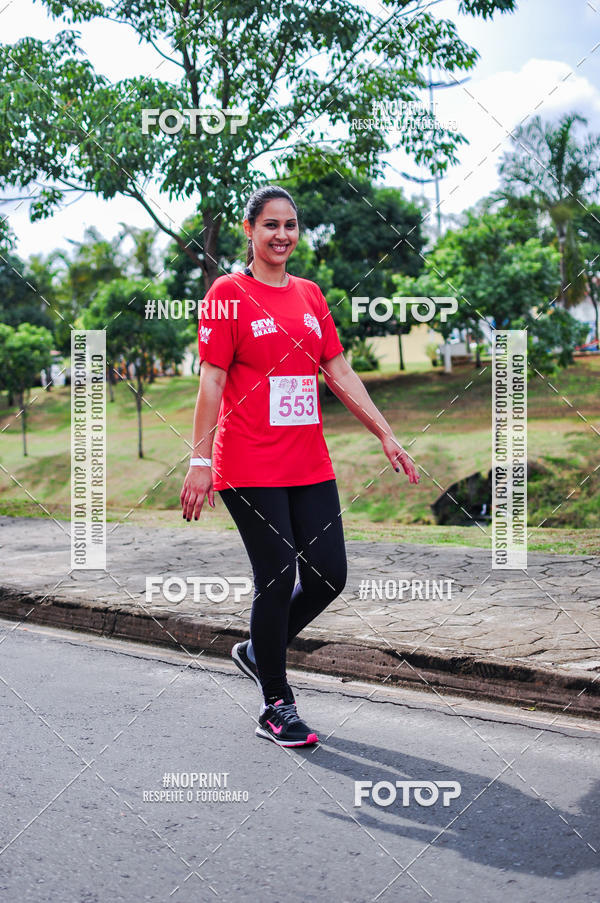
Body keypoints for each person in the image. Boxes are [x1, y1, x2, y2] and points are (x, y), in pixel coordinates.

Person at [180, 185, 419, 748]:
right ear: (249, 230)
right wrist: (198, 459)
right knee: (277, 575)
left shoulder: (311, 295)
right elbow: (211, 380)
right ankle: (275, 705)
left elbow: (337, 370)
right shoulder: (227, 293)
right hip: (247, 461)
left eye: (290, 225)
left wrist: (384, 433)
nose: (282, 235)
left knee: (329, 575)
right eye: (270, 225)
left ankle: (256, 652)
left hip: (308, 460)